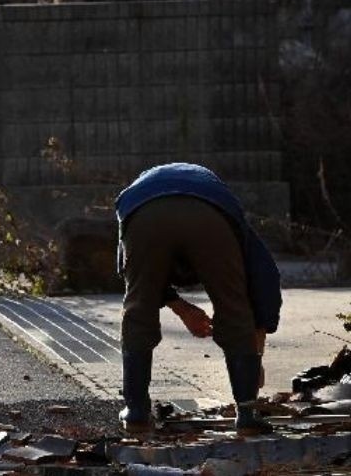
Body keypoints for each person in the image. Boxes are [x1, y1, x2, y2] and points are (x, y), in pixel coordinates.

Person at [115, 163, 282, 435]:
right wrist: (255, 351)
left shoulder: (140, 193)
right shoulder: (228, 211)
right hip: (209, 214)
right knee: (234, 305)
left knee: (138, 307)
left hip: (142, 210)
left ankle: (136, 412)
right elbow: (265, 278)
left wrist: (179, 306)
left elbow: (132, 274)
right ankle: (248, 414)